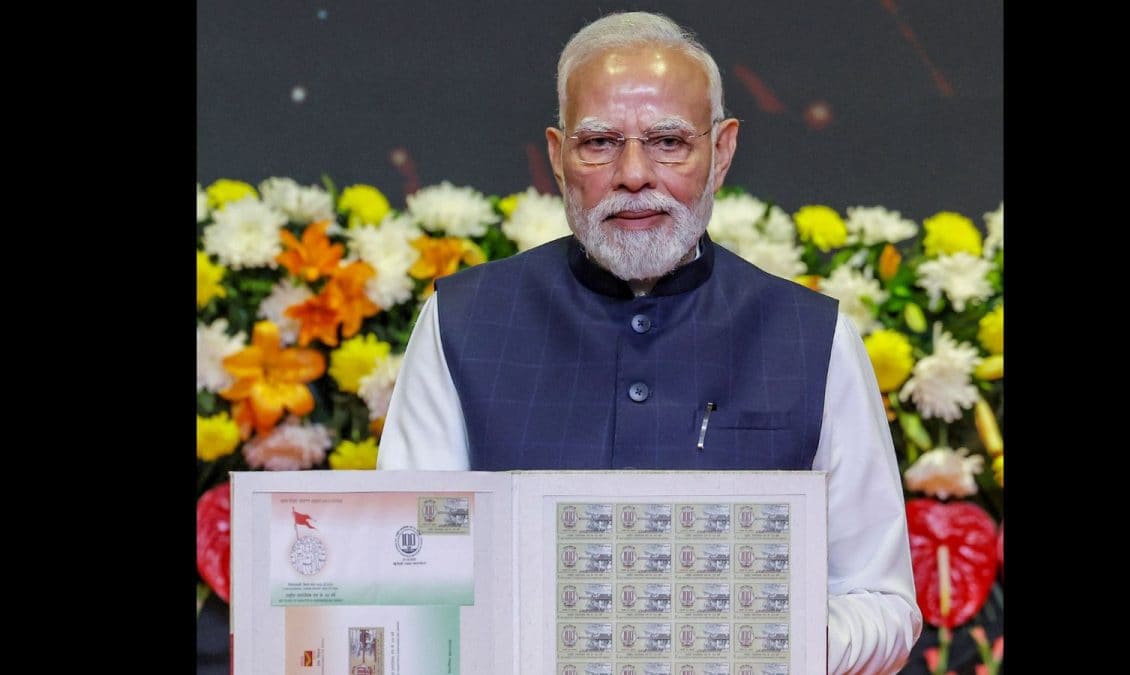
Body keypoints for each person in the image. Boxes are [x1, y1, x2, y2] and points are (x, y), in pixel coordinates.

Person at [377, 11, 920, 673]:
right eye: (599, 143)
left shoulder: (813, 336)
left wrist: (746, 642)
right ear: (558, 156)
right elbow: (410, 577)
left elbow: (879, 601)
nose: (633, 174)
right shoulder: (464, 322)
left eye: (668, 141)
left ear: (721, 152)